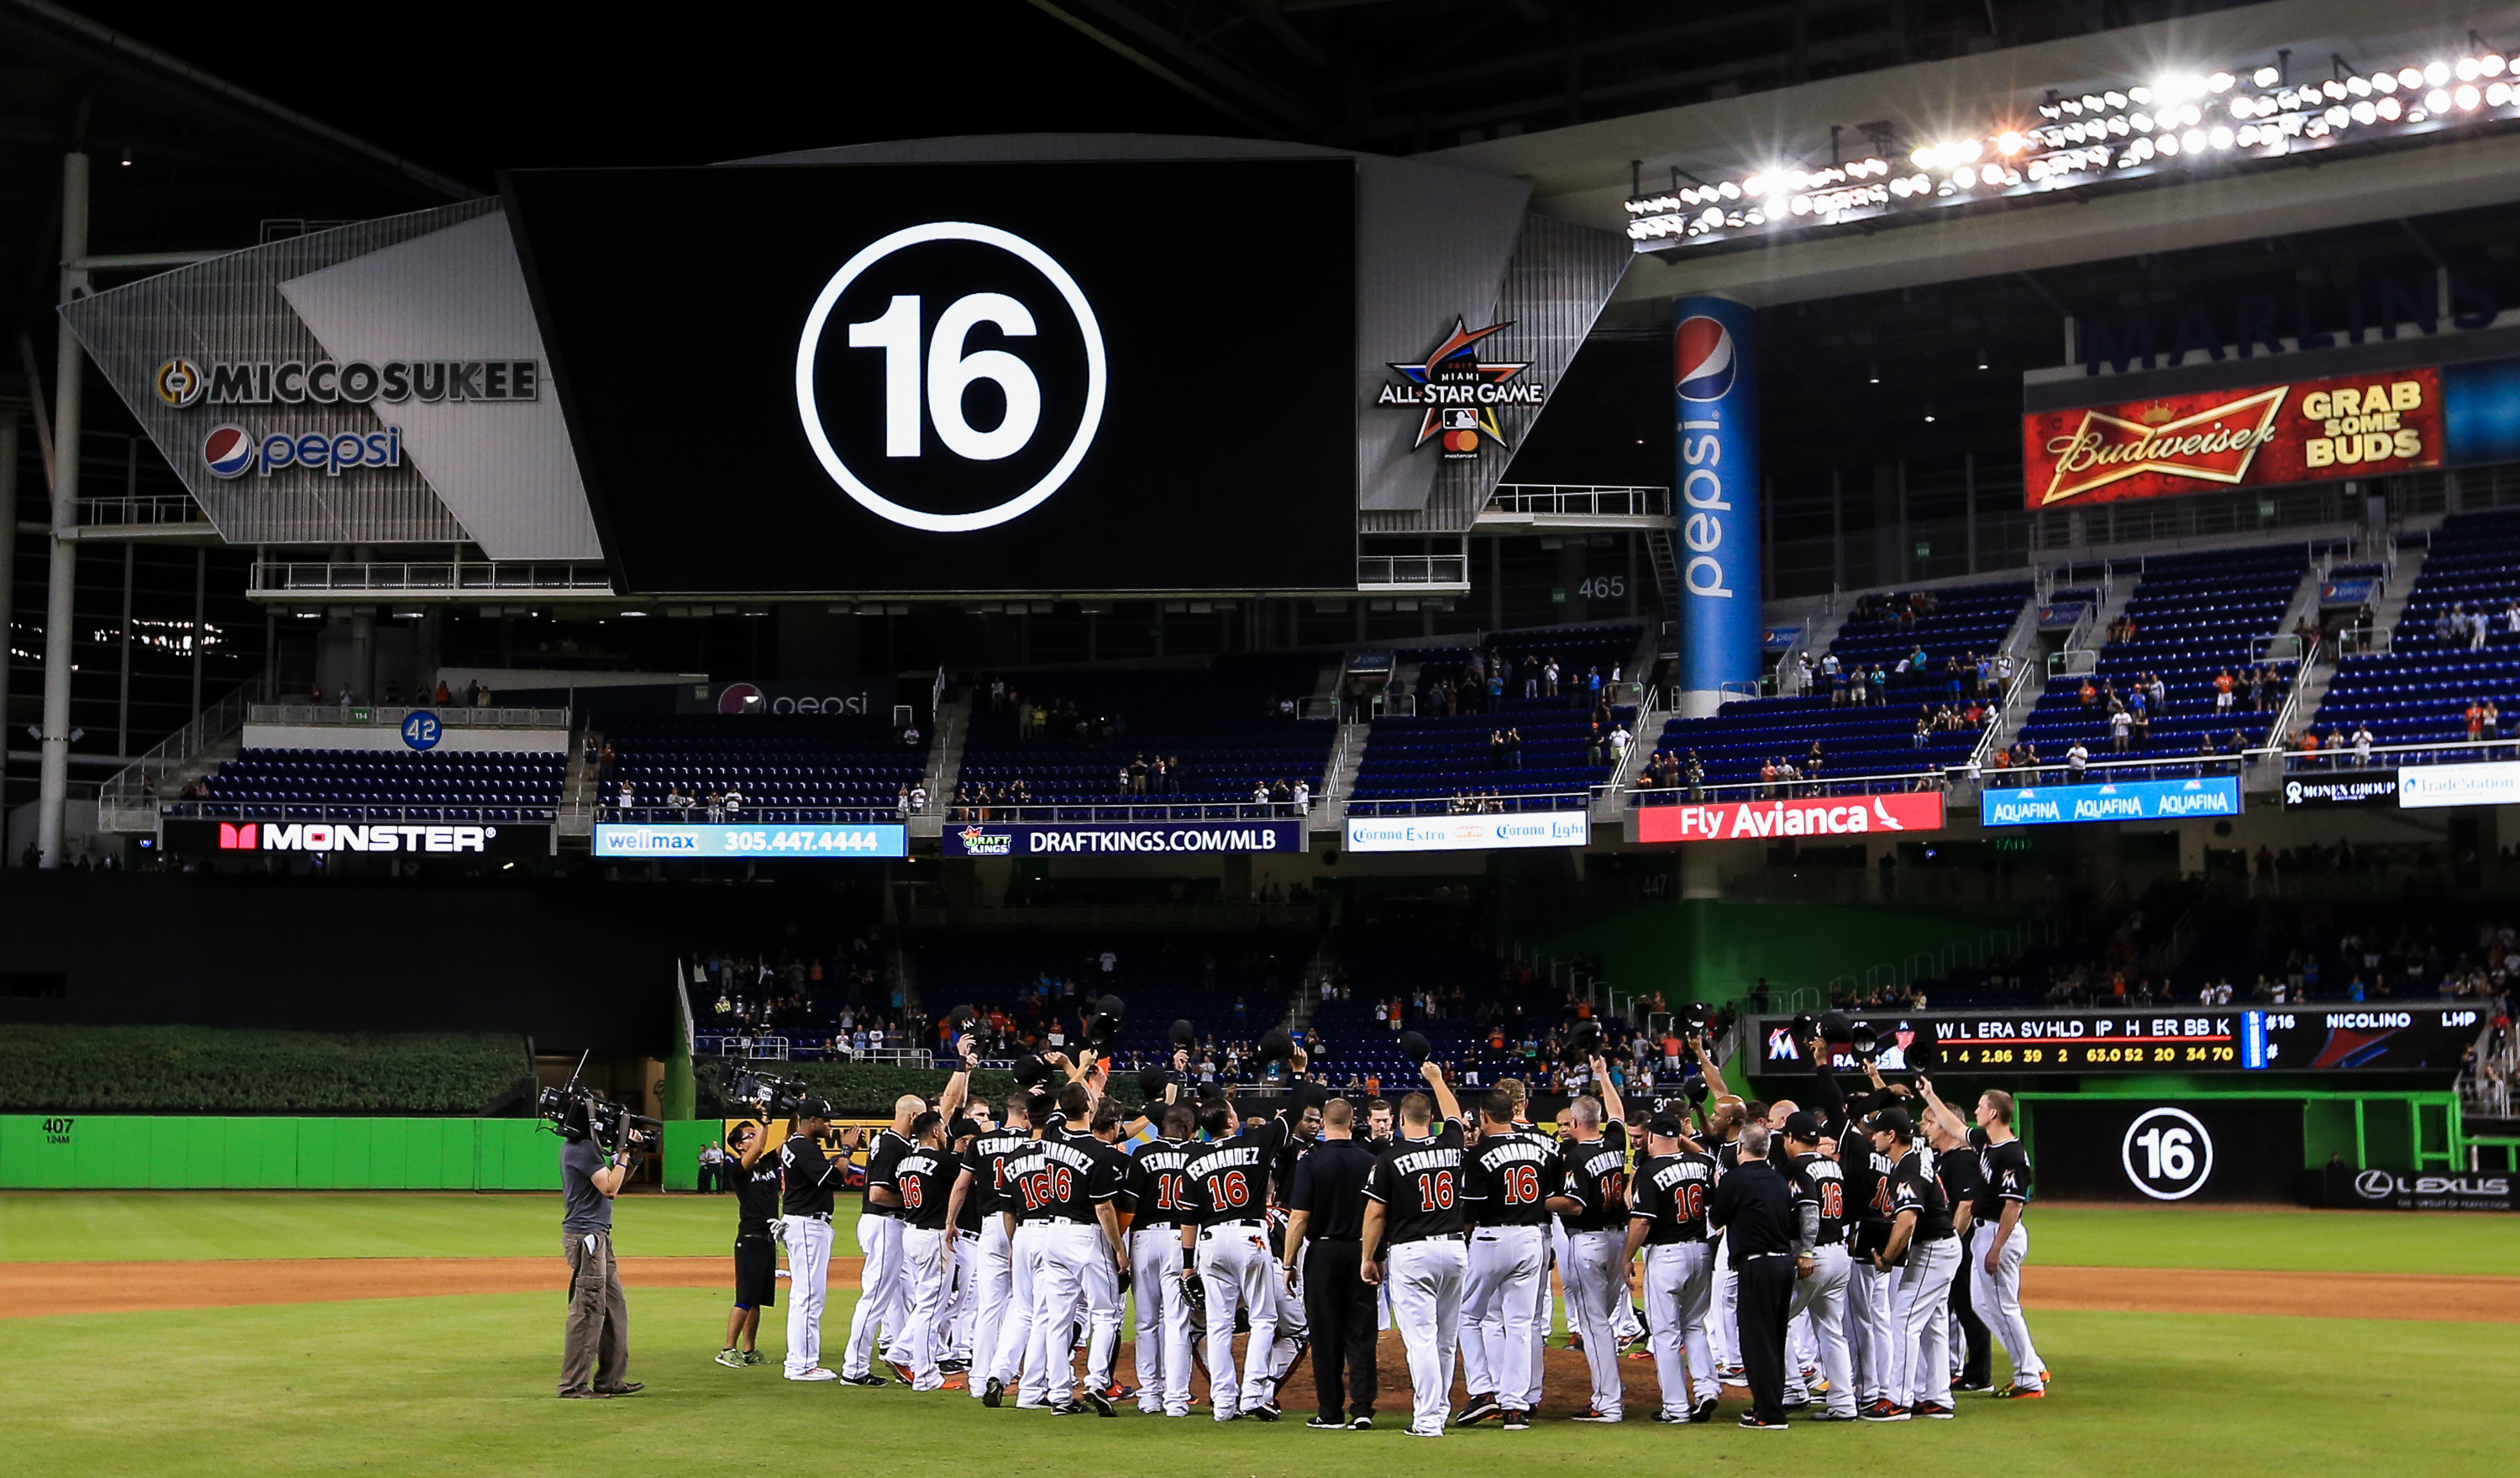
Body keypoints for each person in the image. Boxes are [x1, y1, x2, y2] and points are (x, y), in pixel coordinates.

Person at [1361, 1060, 1467, 1438]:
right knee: (1444, 1338)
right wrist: (1437, 1080)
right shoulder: (1452, 1145)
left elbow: (1375, 1214)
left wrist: (1367, 1257)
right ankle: (1438, 1412)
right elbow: (1454, 1115)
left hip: (1412, 1252)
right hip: (1455, 1250)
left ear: (1402, 1120)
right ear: (1432, 1119)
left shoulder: (1390, 1157)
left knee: (1420, 1339)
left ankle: (1427, 1420)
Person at [1454, 1086, 1560, 1429]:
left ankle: (1484, 1390)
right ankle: (1515, 1406)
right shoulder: (1539, 1148)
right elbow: (1552, 1193)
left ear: (1484, 1116)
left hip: (1491, 1238)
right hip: (1532, 1236)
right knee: (1520, 1324)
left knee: (1468, 1315)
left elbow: (1470, 1209)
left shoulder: (1478, 1153)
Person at [1285, 1096, 1379, 1428]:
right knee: (1362, 1331)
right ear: (1352, 1124)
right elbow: (1378, 1214)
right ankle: (1364, 1408)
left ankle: (1330, 1412)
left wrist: (1288, 1262)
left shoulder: (1311, 1161)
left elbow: (1298, 1218)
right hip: (1360, 1251)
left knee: (1325, 1335)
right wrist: (1374, 1257)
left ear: (1323, 1125)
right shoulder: (1370, 1161)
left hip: (1322, 1252)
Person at [1546, 1059, 1630, 1423]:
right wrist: (1602, 1075)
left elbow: (1573, 1206)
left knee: (1594, 1324)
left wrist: (1530, 1200)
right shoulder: (1614, 1143)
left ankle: (1608, 1402)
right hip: (1618, 1241)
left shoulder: (1577, 1156)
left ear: (1577, 1123)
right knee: (1603, 1321)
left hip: (1589, 1243)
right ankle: (1611, 1391)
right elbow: (1619, 1113)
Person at [1624, 1111, 1720, 1424]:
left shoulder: (1650, 1171)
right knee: (1693, 1326)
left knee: (1665, 1333)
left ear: (1651, 1137)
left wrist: (1627, 1257)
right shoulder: (1704, 1165)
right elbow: (1706, 1160)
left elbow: (1640, 1220)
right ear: (1679, 1137)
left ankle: (1676, 1407)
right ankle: (1707, 1390)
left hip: (1667, 1256)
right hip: (1702, 1251)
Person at [1870, 1106, 1960, 1420]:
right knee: (1934, 1324)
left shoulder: (1906, 1168)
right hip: (1943, 1245)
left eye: (1877, 1131)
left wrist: (1888, 1258)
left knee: (1904, 1321)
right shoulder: (1918, 1156)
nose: (1873, 1136)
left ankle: (1898, 1400)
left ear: (1891, 1136)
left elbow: (1907, 1221)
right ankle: (1938, 1397)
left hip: (1933, 1249)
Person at [1708, 1121, 1795, 1429]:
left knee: (1757, 1341)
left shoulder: (1735, 1179)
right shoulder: (1778, 1179)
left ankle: (1770, 1414)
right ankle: (1767, 1404)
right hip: (1784, 1265)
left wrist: (1721, 1189)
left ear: (1741, 1148)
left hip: (1757, 1265)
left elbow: (1716, 1218)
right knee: (1774, 1338)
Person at [559, 1096, 641, 1400]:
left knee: (613, 1309)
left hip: (598, 1236)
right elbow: (609, 1187)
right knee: (588, 1312)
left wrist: (631, 1156)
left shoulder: (584, 1147)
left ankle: (611, 1380)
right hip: (587, 1238)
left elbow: (617, 1182)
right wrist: (622, 1152)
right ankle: (573, 1386)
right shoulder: (581, 1149)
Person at [1125, 1100, 1200, 1417]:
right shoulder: (1197, 1155)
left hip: (1144, 1238)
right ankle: (1176, 1398)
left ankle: (1149, 1395)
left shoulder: (1142, 1154)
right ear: (1187, 1128)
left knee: (1145, 1322)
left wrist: (1122, 1246)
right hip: (1179, 1239)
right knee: (1177, 1322)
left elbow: (1129, 1203)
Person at [1782, 1110, 1858, 1419]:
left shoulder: (1795, 1167)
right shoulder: (1834, 1166)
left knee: (1775, 1321)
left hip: (1812, 1256)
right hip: (1839, 1253)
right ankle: (1843, 1402)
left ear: (1789, 1138)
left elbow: (1807, 1212)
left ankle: (1792, 1389)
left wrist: (1807, 1251)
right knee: (1831, 1329)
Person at [778, 1097, 858, 1382]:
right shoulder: (801, 1146)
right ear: (811, 1121)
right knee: (809, 1297)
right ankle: (801, 1365)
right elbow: (833, 1179)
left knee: (805, 1296)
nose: (830, 1124)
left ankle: (800, 1362)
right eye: (826, 1120)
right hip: (806, 1224)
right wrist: (846, 1150)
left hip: (802, 1223)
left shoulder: (794, 1144)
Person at [891, 1108, 973, 1391]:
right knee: (931, 1307)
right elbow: (967, 1179)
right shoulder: (944, 1160)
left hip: (911, 1233)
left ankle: (900, 1351)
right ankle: (926, 1375)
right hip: (935, 1238)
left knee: (927, 1301)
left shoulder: (905, 1161)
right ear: (936, 1131)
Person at [716, 1122, 780, 1368]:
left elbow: (788, 1139)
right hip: (750, 1240)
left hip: (768, 1239)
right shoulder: (738, 1169)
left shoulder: (768, 1164)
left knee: (756, 1300)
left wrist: (795, 1111)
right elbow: (762, 1144)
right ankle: (727, 1349)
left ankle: (748, 1349)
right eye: (749, 1136)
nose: (755, 1138)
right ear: (740, 1145)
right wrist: (765, 1121)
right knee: (744, 1298)